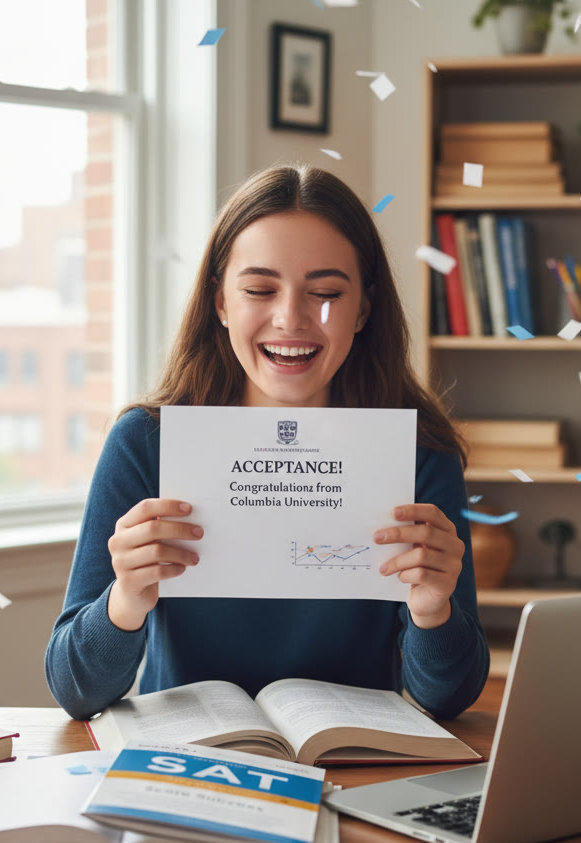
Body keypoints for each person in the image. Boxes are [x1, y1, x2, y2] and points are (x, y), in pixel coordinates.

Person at [45, 164, 489, 722]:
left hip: (351, 762)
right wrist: (124, 603)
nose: (290, 319)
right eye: (259, 289)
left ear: (363, 310)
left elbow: (450, 696)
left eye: (325, 292)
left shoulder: (420, 451)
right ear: (221, 303)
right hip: (191, 764)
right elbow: (75, 690)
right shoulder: (146, 443)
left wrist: (432, 612)